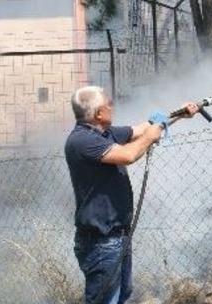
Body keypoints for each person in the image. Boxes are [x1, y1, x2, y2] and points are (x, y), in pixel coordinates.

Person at [64, 86, 198, 304]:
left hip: (118, 236)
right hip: (101, 241)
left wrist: (179, 114)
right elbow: (128, 155)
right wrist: (150, 137)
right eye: (109, 103)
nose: (112, 106)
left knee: (121, 295)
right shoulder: (82, 141)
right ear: (98, 113)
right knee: (106, 300)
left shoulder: (104, 133)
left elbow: (141, 129)